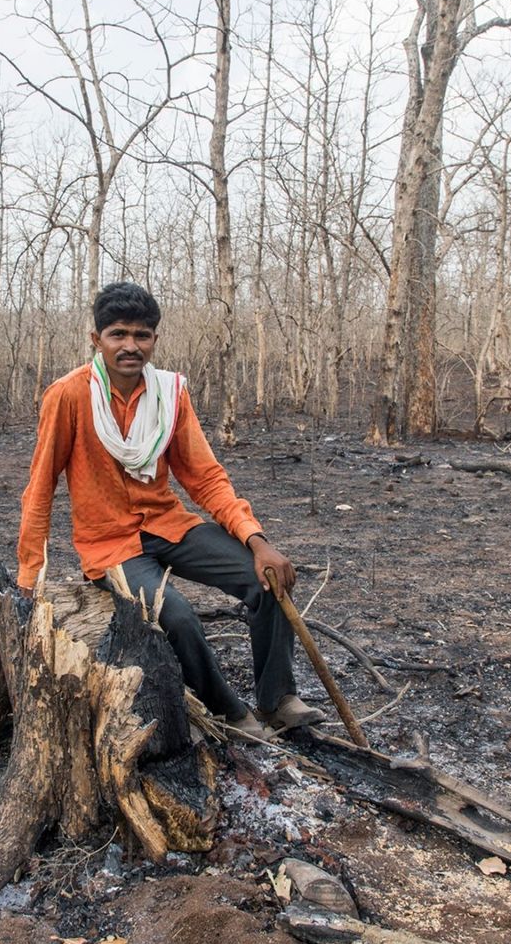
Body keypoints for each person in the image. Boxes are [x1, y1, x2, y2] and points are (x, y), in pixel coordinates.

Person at [16, 282, 326, 739]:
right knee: (177, 616)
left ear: (154, 340)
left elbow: (204, 477)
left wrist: (256, 540)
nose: (130, 346)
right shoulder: (68, 396)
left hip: (167, 524)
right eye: (117, 334)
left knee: (267, 579)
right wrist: (29, 577)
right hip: (109, 544)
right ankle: (230, 713)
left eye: (141, 336)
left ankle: (277, 699)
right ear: (95, 339)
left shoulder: (169, 394)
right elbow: (39, 487)